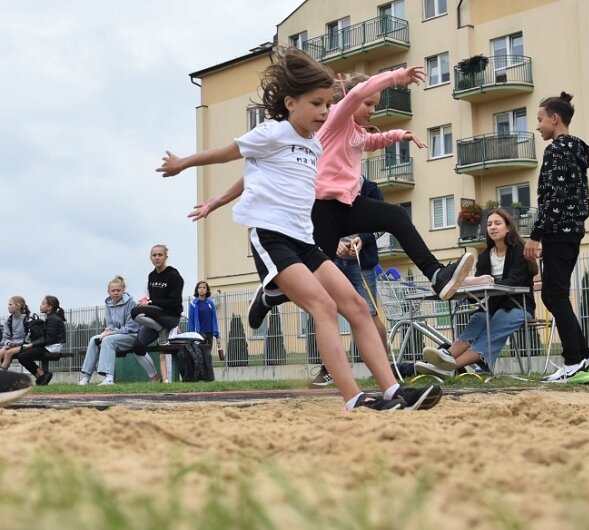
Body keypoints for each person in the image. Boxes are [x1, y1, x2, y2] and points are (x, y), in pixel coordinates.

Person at [156, 47, 441, 411]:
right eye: (317, 104)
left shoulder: (315, 143)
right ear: (290, 103)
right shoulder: (271, 133)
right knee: (323, 305)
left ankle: (391, 391)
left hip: (304, 240)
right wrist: (187, 166)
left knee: (355, 304)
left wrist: (393, 136)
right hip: (271, 237)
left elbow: (258, 175)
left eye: (327, 105)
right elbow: (230, 156)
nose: (324, 112)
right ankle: (354, 398)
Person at [189, 66, 475, 329]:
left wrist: (401, 134)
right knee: (316, 283)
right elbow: (359, 93)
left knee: (396, 216)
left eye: (375, 105)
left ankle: (437, 275)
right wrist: (397, 76)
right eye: (368, 104)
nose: (372, 109)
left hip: (347, 206)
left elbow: (371, 140)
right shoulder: (337, 117)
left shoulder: (355, 132)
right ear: (352, 100)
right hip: (320, 209)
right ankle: (269, 298)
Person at [524, 91, 589, 384]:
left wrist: (536, 235)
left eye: (540, 119)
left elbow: (553, 198)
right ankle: (587, 357)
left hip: (559, 230)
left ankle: (574, 361)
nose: (538, 126)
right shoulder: (575, 151)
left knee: (553, 295)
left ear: (555, 119)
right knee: (558, 293)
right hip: (571, 231)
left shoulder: (556, 150)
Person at [415, 209, 537, 378]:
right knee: (477, 321)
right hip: (490, 306)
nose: (492, 227)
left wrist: (491, 282)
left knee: (494, 326)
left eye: (497, 223)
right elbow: (481, 288)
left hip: (518, 305)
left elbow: (515, 281)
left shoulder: (519, 251)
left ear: (508, 228)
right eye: (489, 224)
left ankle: (446, 367)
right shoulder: (485, 256)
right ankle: (446, 358)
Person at [310, 175, 388, 388]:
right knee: (325, 312)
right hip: (329, 260)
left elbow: (380, 221)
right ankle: (330, 369)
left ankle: (384, 366)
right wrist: (331, 241)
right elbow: (314, 220)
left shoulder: (370, 188)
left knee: (369, 313)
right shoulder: (322, 184)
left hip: (361, 262)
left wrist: (362, 239)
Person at [78, 276, 147, 385]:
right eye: (113, 290)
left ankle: (109, 378)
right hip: (115, 336)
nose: (116, 293)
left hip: (132, 336)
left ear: (123, 291)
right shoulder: (109, 304)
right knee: (94, 340)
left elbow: (131, 328)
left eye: (118, 290)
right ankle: (86, 377)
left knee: (108, 340)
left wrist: (110, 333)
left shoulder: (131, 303)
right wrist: (106, 332)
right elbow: (110, 325)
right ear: (108, 292)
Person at [130, 244, 184, 383]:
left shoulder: (174, 275)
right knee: (138, 347)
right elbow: (152, 301)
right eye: (154, 255)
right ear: (150, 258)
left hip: (170, 317)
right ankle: (154, 377)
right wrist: (147, 302)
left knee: (135, 312)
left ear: (166, 257)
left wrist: (151, 303)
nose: (157, 257)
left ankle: (162, 330)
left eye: (160, 255)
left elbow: (174, 302)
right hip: (156, 320)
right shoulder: (151, 276)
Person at [16, 295, 66, 385]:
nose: (40, 305)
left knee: (22, 356)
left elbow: (49, 339)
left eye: (43, 304)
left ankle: (42, 374)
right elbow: (47, 338)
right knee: (22, 355)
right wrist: (33, 343)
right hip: (50, 345)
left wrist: (32, 344)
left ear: (50, 307)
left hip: (52, 346)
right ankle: (41, 375)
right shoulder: (51, 317)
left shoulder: (52, 319)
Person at [188, 280, 222, 359]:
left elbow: (214, 319)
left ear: (207, 290)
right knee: (199, 355)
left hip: (209, 333)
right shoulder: (193, 304)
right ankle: (201, 371)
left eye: (204, 287)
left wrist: (217, 336)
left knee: (207, 355)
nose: (201, 289)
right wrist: (191, 336)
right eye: (199, 287)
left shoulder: (210, 303)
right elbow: (191, 321)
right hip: (199, 334)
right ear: (197, 290)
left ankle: (207, 371)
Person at [0, 296, 32, 371]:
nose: (8, 307)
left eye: (10, 304)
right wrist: (9, 343)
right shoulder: (8, 321)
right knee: (0, 352)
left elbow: (29, 337)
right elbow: (5, 337)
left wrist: (16, 344)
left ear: (18, 306)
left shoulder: (27, 319)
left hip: (25, 345)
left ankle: (2, 375)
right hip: (11, 345)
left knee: (8, 353)